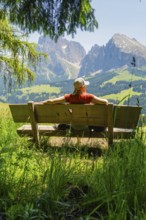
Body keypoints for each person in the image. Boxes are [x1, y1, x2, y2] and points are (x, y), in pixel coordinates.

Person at [40, 77, 108, 131]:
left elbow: (52, 101)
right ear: (83, 87)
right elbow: (105, 102)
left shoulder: (68, 97)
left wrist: (41, 103)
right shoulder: (89, 97)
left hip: (73, 125)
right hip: (86, 125)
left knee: (60, 124)